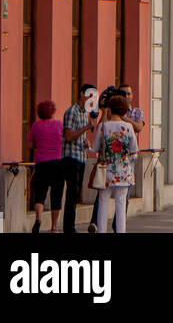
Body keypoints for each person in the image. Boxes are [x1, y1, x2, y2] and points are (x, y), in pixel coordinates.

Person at [89, 94, 138, 234]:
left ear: (110, 109)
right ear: (124, 110)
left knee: (103, 203)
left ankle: (102, 231)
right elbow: (134, 150)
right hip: (123, 172)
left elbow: (95, 148)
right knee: (121, 204)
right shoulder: (128, 128)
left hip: (106, 171)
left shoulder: (104, 127)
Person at [61, 82, 98, 234]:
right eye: (90, 95)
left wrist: (85, 141)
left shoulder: (84, 113)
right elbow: (68, 136)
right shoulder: (72, 112)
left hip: (81, 156)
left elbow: (78, 135)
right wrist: (86, 128)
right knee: (71, 193)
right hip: (71, 157)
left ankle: (71, 225)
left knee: (76, 193)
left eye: (94, 97)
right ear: (82, 94)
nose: (92, 99)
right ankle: (69, 228)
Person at [28, 100, 64, 233]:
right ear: (53, 111)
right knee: (56, 194)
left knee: (40, 194)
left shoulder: (36, 126)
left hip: (41, 163)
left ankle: (38, 218)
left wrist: (40, 145)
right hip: (57, 163)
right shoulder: (60, 125)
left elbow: (30, 145)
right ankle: (54, 227)